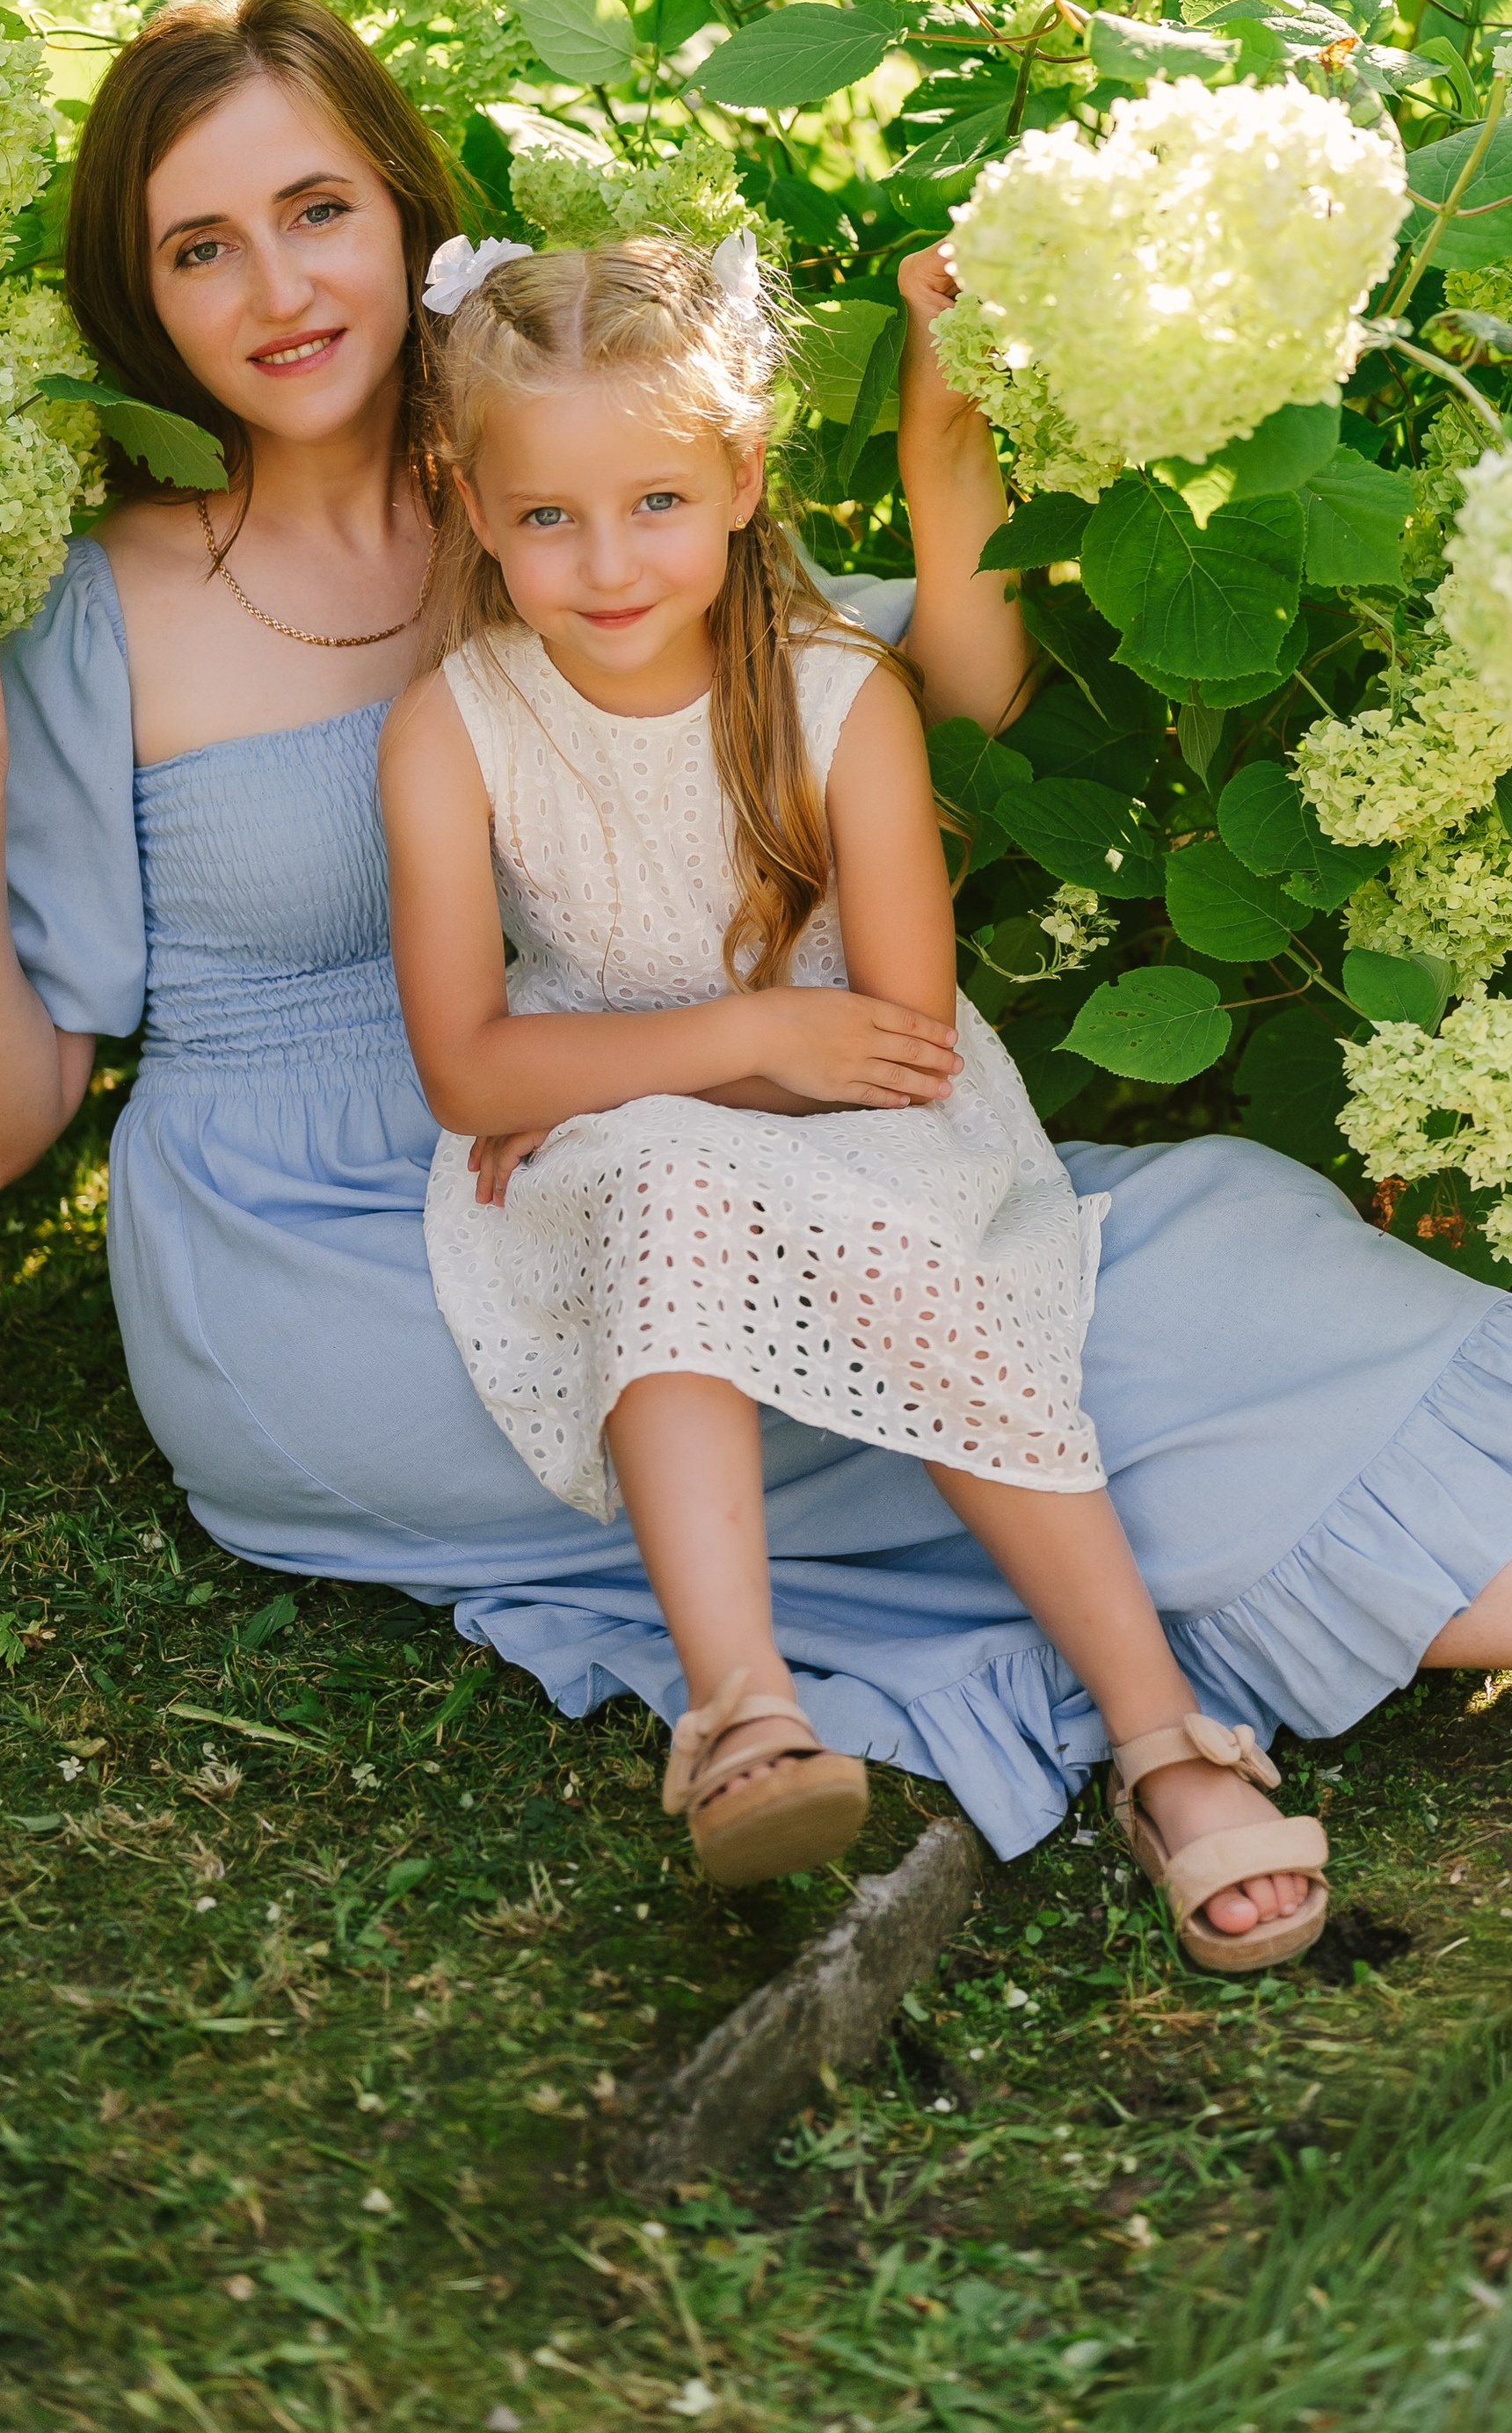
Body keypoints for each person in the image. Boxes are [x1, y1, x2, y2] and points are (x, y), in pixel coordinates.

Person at [0, 0, 1512, 1971]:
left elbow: (939, 676)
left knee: (1157, 1248)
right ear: (138, 292)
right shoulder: (116, 601)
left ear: (402, 212)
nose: (275, 288)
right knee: (1042, 1337)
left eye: (314, 209)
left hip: (670, 1134)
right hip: (327, 1276)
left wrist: (941, 449)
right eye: (199, 247)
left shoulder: (567, 495)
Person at [377, 230, 1328, 1966]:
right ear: (466, 502)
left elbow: (889, 1032)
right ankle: (742, 1715)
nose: (603, 564)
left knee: (842, 1227)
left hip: (868, 1119)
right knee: (663, 1175)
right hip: (624, 1124)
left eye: (654, 500)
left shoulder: (838, 698)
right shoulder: (455, 723)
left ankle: (1161, 1733)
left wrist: (717, 1060)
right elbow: (468, 1067)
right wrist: (734, 1043)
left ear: (740, 476)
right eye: (543, 519)